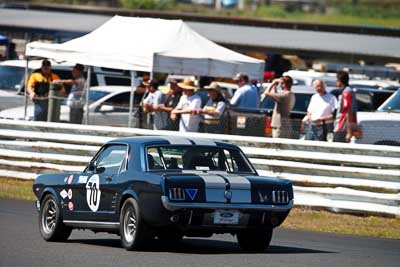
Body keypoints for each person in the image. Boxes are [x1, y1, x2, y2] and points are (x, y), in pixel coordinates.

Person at [334, 70, 358, 142]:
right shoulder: (347, 91)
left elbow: (348, 112)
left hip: (342, 127)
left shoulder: (346, 92)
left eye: (336, 80)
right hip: (343, 127)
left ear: (339, 81)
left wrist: (349, 132)